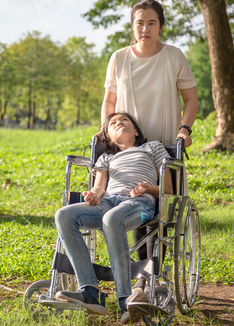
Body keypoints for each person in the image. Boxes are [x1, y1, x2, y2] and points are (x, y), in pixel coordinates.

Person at [101, 0, 199, 280]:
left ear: (160, 26)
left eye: (151, 23)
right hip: (128, 147)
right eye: (139, 22)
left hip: (164, 143)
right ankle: (144, 276)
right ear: (132, 26)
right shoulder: (119, 58)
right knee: (132, 203)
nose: (145, 28)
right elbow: (109, 102)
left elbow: (191, 99)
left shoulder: (173, 56)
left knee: (161, 212)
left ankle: (155, 274)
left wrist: (185, 130)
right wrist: (107, 130)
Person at [54, 112, 173, 324]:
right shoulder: (106, 158)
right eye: (113, 123)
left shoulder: (152, 147)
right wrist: (94, 195)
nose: (118, 123)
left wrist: (148, 188)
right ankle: (90, 292)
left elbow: (168, 189)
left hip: (140, 203)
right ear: (108, 136)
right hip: (107, 202)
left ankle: (125, 299)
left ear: (136, 131)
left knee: (111, 218)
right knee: (64, 215)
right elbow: (100, 185)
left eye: (124, 120)